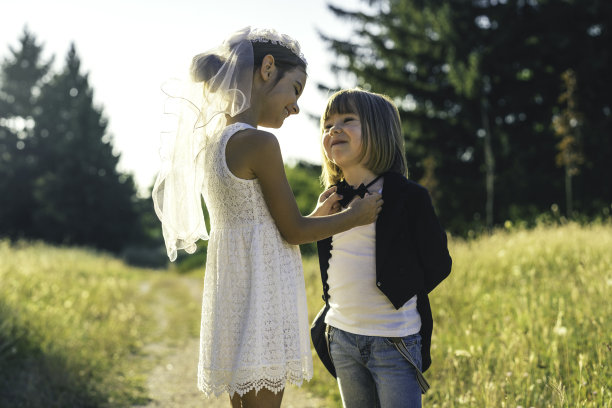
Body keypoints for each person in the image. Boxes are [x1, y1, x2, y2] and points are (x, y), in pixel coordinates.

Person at [151, 29, 383, 408]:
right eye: (294, 89)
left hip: (236, 287)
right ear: (267, 69)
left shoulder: (217, 141)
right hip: (262, 291)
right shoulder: (260, 143)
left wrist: (315, 215)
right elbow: (292, 231)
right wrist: (355, 216)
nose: (295, 106)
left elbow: (261, 222)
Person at [311, 88, 452, 408]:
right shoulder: (332, 199)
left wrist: (397, 288)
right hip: (342, 336)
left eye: (347, 120)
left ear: (379, 132)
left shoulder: (408, 197)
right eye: (327, 124)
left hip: (394, 338)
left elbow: (438, 263)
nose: (334, 129)